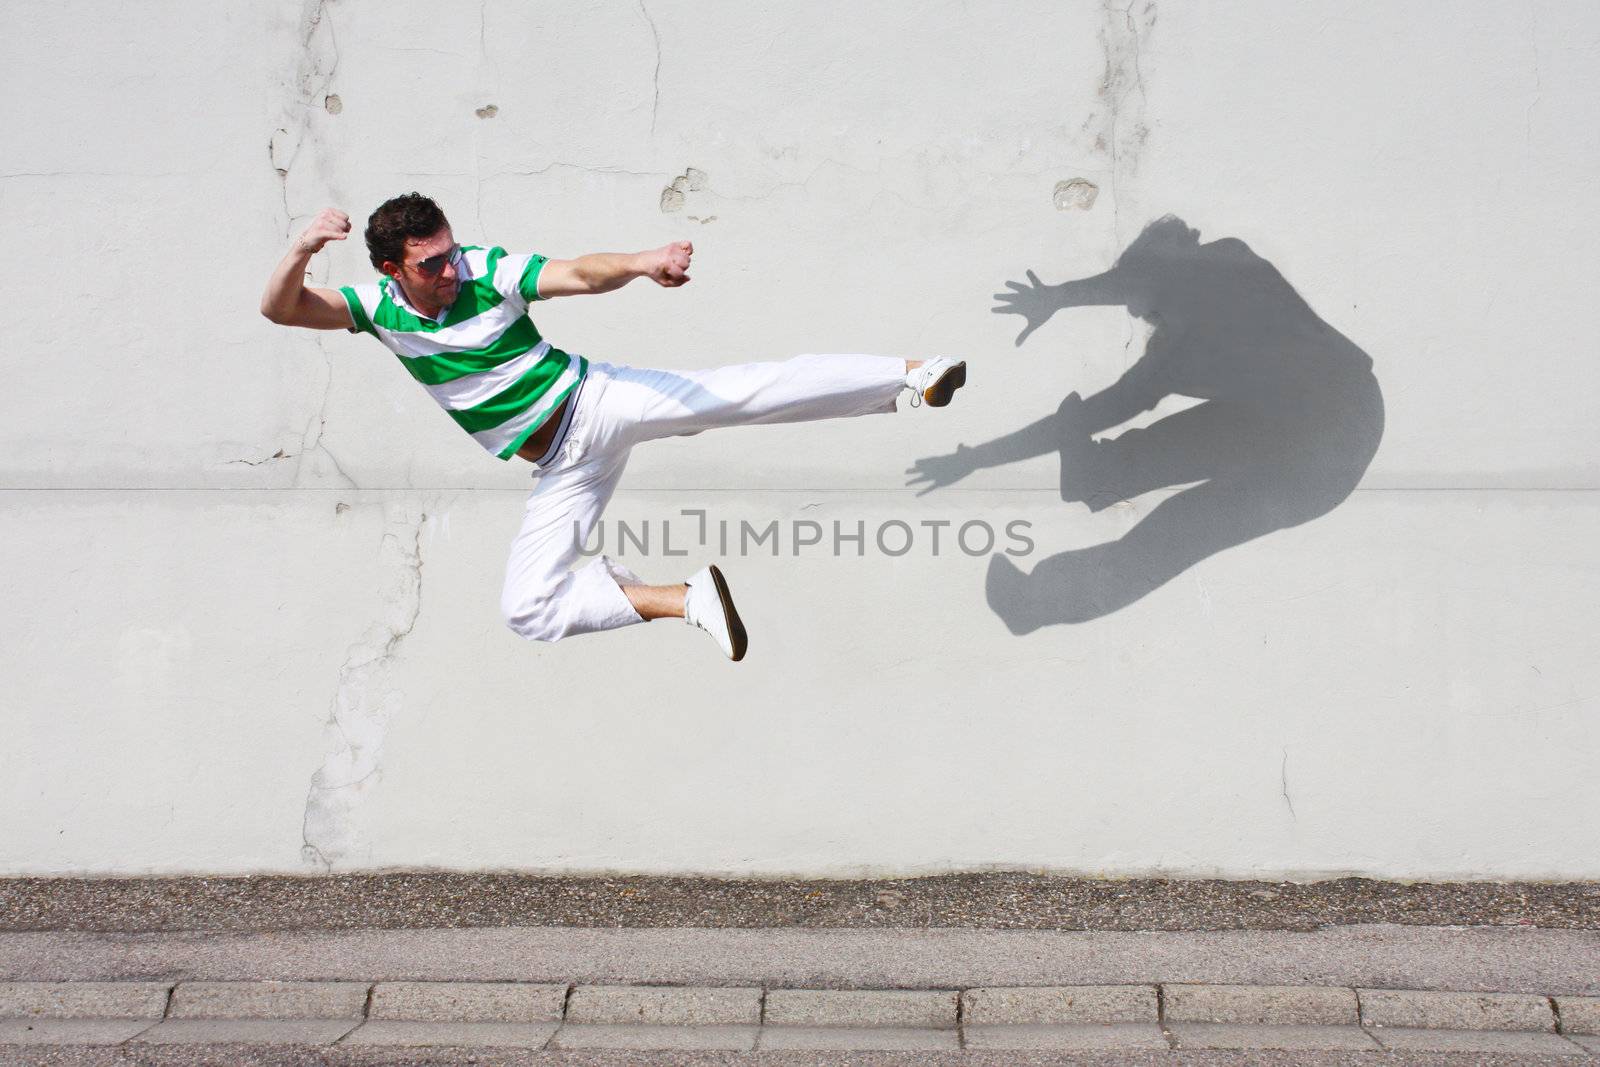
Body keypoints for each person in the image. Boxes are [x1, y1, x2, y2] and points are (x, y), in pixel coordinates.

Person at [261, 193, 967, 661]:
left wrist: (639, 263)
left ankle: (913, 373)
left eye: (452, 250)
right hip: (564, 467)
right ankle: (684, 598)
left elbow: (578, 273)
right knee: (527, 608)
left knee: (741, 393)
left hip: (595, 403)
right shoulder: (374, 308)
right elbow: (281, 309)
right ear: (394, 268)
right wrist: (300, 248)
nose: (450, 268)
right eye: (432, 262)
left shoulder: (485, 270)